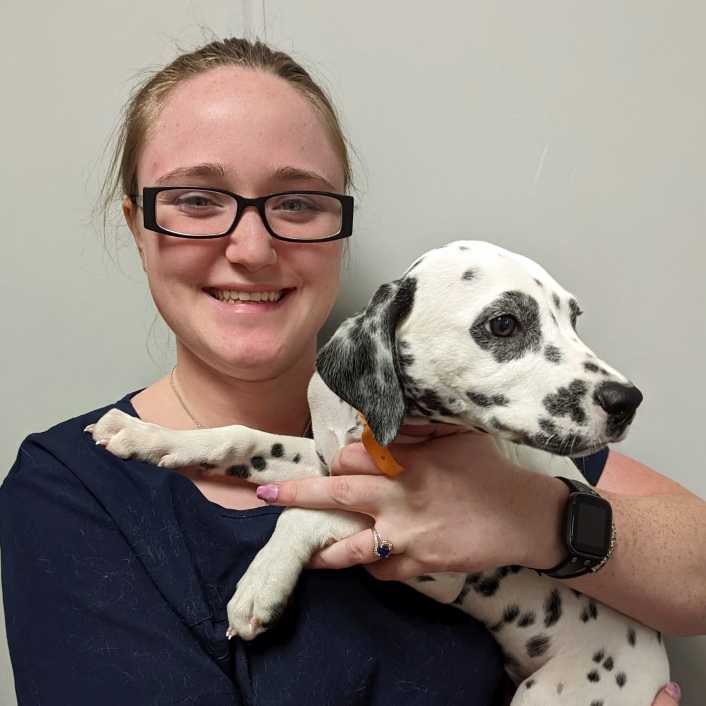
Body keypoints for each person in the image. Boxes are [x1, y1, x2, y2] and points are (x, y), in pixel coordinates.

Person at [0, 37, 699, 706]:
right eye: (197, 199)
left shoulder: (483, 416)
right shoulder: (70, 492)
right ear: (136, 223)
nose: (251, 248)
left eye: (297, 202)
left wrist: (533, 514)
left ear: (340, 228)